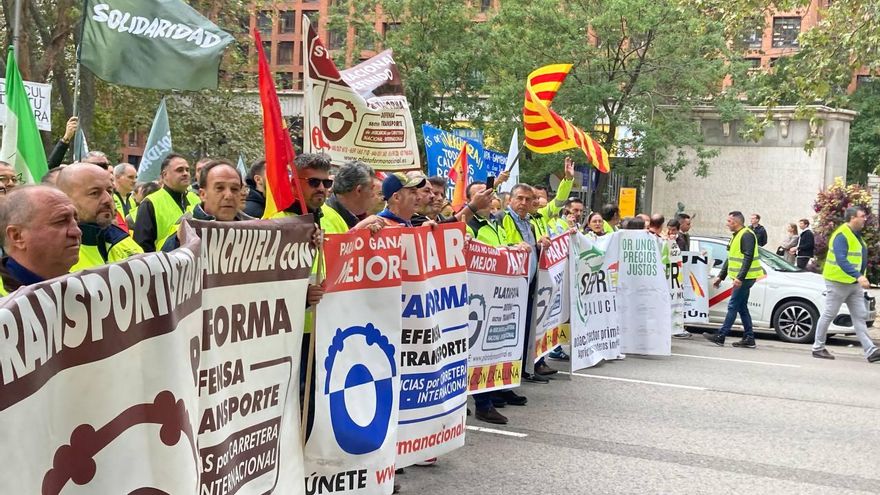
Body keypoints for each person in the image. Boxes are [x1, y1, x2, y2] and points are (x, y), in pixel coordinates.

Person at [464, 181, 529, 424]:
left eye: (489, 194)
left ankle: (486, 401)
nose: (486, 198)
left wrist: (514, 247)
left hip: (494, 299)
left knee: (487, 351)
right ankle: (479, 403)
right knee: (471, 350)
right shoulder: (469, 225)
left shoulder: (496, 224)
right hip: (474, 298)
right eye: (480, 194)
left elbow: (498, 250)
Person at [499, 184, 555, 382]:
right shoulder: (502, 219)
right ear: (510, 200)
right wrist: (513, 246)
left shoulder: (529, 223)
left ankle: (522, 369)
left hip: (528, 285)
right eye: (519, 198)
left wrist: (539, 245)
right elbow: (499, 245)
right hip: (509, 287)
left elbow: (530, 250)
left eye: (527, 200)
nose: (523, 203)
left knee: (524, 330)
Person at [811, 207, 880, 362]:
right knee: (829, 314)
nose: (865, 219)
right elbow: (842, 259)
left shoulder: (856, 235)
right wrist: (859, 276)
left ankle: (871, 351)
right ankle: (818, 347)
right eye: (862, 216)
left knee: (859, 316)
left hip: (852, 283)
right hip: (837, 282)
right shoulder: (842, 235)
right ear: (852, 218)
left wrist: (858, 278)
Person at [57, 164, 143, 271]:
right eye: (94, 193)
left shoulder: (122, 240)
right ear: (65, 198)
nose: (108, 199)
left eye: (110, 191)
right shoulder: (52, 256)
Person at [0, 186, 81, 295]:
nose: (77, 232)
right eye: (61, 221)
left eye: (76, 220)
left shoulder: (85, 287)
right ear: (17, 236)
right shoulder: (5, 302)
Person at [161, 160, 254, 252]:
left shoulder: (255, 230)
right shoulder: (184, 232)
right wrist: (178, 241)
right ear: (203, 194)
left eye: (234, 189)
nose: (228, 195)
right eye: (220, 188)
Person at [704, 211, 765, 348]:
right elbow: (730, 258)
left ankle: (721, 335)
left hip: (745, 278)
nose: (727, 224)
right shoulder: (736, 236)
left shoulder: (747, 235)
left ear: (736, 222)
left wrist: (740, 278)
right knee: (742, 307)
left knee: (733, 305)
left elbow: (748, 257)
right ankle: (749, 338)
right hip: (743, 278)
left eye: (729, 221)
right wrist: (721, 276)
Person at [133, 154, 200, 252]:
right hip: (165, 264)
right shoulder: (150, 203)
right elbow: (142, 247)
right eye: (179, 170)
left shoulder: (196, 200)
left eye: (187, 170)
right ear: (165, 175)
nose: (185, 173)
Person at [321, 160, 377, 234]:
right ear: (359, 190)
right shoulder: (324, 216)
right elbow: (331, 245)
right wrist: (358, 229)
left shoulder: (358, 217)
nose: (373, 194)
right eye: (371, 188)